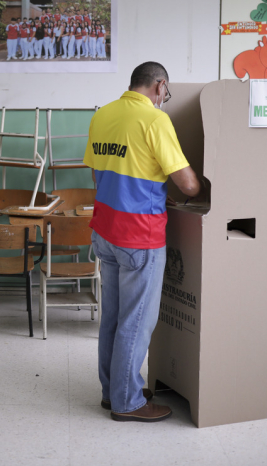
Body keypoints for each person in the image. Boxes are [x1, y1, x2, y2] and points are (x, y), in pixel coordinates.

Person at [83, 61, 200, 422]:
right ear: (159, 86)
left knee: (114, 319)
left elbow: (98, 173)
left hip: (106, 231)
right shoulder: (154, 119)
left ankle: (113, 390)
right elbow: (187, 184)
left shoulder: (102, 115)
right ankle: (128, 402)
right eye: (166, 92)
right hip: (140, 238)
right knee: (136, 321)